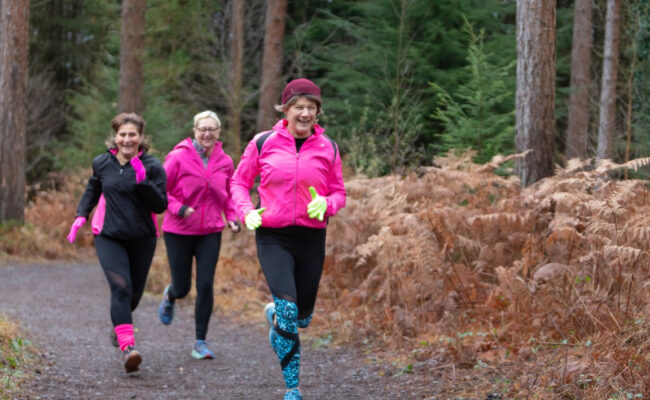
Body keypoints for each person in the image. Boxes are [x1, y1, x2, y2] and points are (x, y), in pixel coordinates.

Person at [230, 78, 346, 400]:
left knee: (303, 317)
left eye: (311, 108)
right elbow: (238, 183)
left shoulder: (329, 147)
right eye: (299, 107)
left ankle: (276, 317)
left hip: (311, 236)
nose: (305, 113)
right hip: (273, 235)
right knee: (288, 308)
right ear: (286, 110)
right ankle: (292, 388)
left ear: (318, 112)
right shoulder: (263, 142)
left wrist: (328, 204)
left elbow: (339, 192)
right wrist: (244, 211)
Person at [66, 112, 167, 373]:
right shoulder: (102, 163)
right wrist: (80, 215)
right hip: (109, 235)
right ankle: (128, 348)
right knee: (121, 288)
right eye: (122, 134)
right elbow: (93, 188)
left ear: (141, 137)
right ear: (115, 137)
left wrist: (143, 180)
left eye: (132, 134)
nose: (127, 139)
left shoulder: (153, 165)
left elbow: (160, 205)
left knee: (133, 294)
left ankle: (119, 326)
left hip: (143, 238)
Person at [157, 110, 241, 360]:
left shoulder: (225, 161)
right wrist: (178, 208)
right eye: (202, 129)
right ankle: (171, 295)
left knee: (205, 285)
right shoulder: (177, 157)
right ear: (194, 131)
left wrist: (233, 219)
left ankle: (200, 342)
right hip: (178, 230)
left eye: (212, 129)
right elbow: (159, 190)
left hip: (210, 231)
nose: (207, 133)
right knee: (183, 287)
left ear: (218, 132)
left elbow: (227, 197)